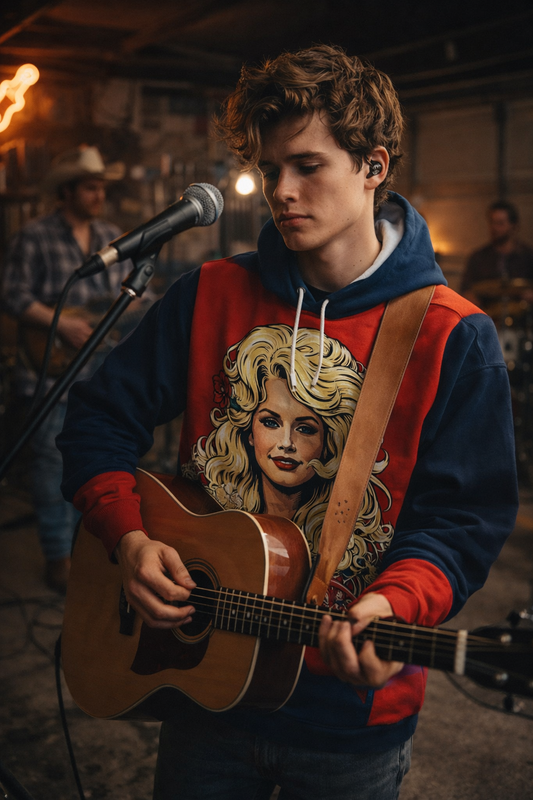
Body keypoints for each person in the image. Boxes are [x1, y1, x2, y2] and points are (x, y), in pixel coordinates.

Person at [57, 45, 518, 800]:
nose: (281, 191)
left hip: (348, 722)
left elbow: (463, 521)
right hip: (199, 683)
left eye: (307, 166)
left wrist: (394, 604)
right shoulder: (206, 293)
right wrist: (128, 537)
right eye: (270, 169)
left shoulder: (452, 336)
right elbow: (97, 419)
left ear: (372, 167)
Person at [1, 145, 131, 592]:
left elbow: (134, 298)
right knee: (49, 460)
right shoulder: (34, 236)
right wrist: (61, 324)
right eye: (90, 187)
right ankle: (58, 556)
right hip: (49, 369)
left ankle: (86, 554)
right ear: (68, 191)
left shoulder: (113, 237)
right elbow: (12, 294)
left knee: (96, 458)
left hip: (99, 372)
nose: (99, 195)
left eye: (101, 188)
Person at [461, 200, 533, 306]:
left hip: (522, 314)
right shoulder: (478, 257)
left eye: (500, 223)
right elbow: (465, 289)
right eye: (492, 222)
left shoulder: (528, 256)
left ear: (513, 226)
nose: (494, 228)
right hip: (486, 313)